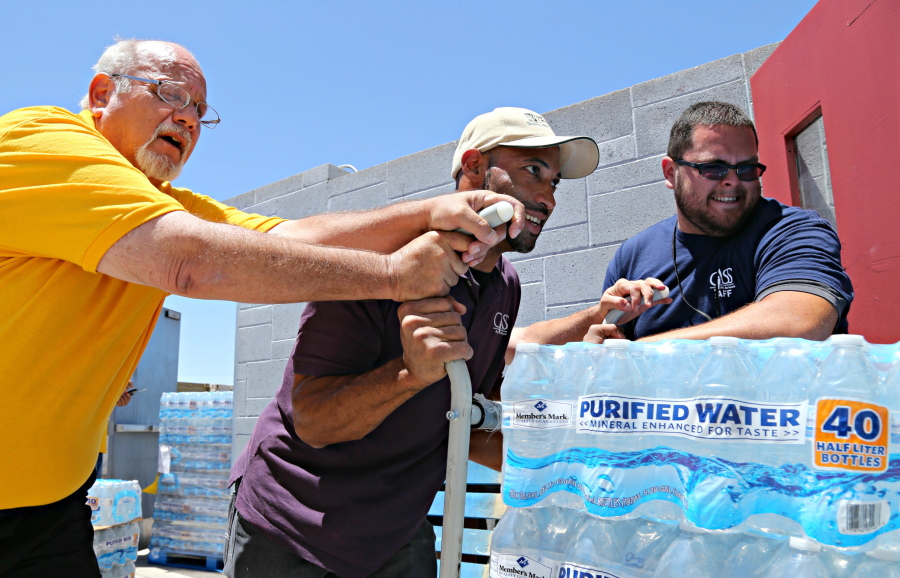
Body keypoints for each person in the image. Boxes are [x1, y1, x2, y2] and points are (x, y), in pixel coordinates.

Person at [0, 39, 526, 577]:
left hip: (49, 512)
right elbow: (188, 262)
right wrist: (393, 274)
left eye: (201, 112)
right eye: (171, 94)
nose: (188, 119)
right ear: (101, 94)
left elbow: (296, 235)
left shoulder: (165, 202)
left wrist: (430, 211)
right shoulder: (38, 138)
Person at [225, 107, 616, 577]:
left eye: (555, 181)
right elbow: (313, 420)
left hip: (396, 528)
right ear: (473, 168)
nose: (547, 196)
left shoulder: (504, 285)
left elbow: (467, 415)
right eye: (532, 170)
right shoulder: (380, 260)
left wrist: (573, 458)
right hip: (294, 524)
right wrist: (408, 375)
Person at [597, 101, 853, 341]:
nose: (733, 180)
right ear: (671, 173)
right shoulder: (633, 256)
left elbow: (801, 322)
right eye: (713, 168)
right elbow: (608, 345)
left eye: (747, 168)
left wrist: (640, 351)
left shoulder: (793, 231)